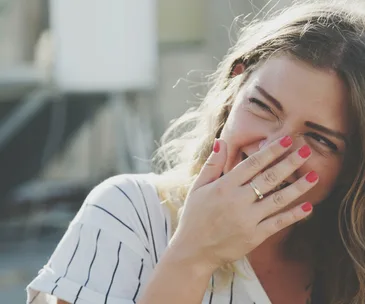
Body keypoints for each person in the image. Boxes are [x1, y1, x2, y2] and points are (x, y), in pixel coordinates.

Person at [27, 1, 365, 303]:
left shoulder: (351, 266)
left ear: (351, 167)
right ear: (234, 90)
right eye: (263, 107)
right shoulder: (130, 212)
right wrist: (193, 256)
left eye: (320, 140)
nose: (273, 150)